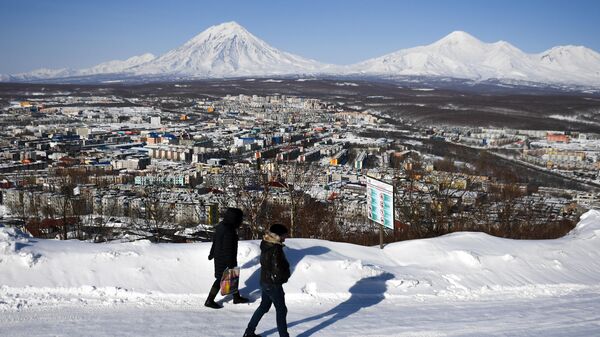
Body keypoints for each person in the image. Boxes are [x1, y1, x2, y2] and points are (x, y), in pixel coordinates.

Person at [244, 224, 291, 337]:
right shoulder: (276, 248)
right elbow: (277, 269)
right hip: (273, 284)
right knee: (281, 310)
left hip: (265, 281)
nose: (286, 237)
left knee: (264, 307)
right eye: (284, 235)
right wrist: (284, 277)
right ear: (278, 235)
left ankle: (249, 332)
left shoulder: (266, 243)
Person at [206, 207, 250, 309]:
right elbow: (228, 248)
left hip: (219, 255)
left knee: (232, 277)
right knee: (221, 279)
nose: (241, 221)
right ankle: (209, 300)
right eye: (240, 218)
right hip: (225, 258)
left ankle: (236, 297)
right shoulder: (229, 230)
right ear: (235, 218)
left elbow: (215, 241)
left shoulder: (221, 225)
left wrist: (212, 253)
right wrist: (230, 263)